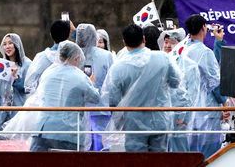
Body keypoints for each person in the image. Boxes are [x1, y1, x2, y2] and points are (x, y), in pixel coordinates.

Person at [102, 24, 181, 152]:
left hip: (133, 124)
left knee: (137, 162)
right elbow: (176, 82)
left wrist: (119, 123)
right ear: (144, 39)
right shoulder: (163, 58)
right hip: (160, 120)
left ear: (124, 42)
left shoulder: (118, 67)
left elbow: (113, 99)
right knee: (160, 161)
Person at [29, 41, 100, 151]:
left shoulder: (48, 73)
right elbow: (95, 98)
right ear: (76, 58)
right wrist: (93, 83)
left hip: (43, 130)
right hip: (69, 132)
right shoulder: (81, 77)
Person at [181, 14, 226, 158]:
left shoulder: (183, 50)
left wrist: (218, 42)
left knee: (191, 155)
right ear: (203, 28)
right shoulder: (204, 52)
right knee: (209, 157)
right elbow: (214, 82)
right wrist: (225, 103)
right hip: (206, 112)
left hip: (188, 111)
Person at [158, 30, 201, 152]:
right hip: (162, 116)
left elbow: (193, 94)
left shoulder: (190, 65)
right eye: (166, 42)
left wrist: (184, 117)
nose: (167, 46)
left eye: (172, 42)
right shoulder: (159, 62)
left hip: (179, 118)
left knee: (179, 151)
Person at [75, 23, 114, 151]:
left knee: (84, 145)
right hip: (100, 108)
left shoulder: (75, 55)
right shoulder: (106, 56)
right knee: (101, 146)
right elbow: (112, 83)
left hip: (83, 108)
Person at [0, 33, 33, 132]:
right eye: (4, 44)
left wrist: (15, 77)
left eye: (10, 43)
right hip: (1, 114)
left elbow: (30, 89)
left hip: (19, 112)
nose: (7, 46)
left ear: (17, 44)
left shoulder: (28, 65)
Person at [25, 20, 72, 93]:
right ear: (69, 35)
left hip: (44, 101)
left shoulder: (41, 57)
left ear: (50, 34)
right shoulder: (74, 57)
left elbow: (29, 83)